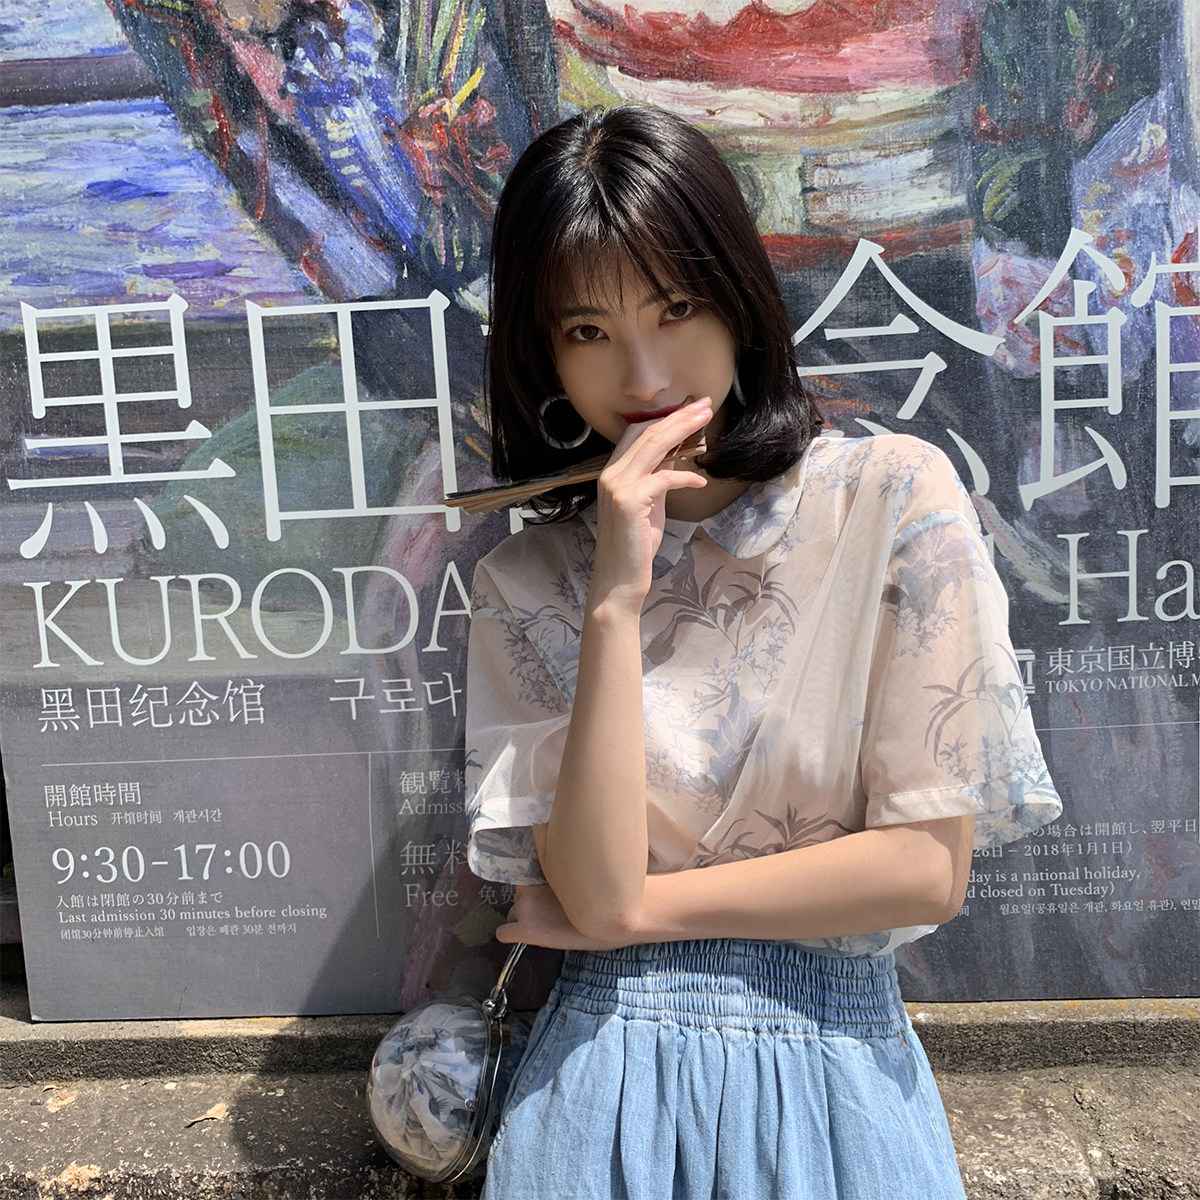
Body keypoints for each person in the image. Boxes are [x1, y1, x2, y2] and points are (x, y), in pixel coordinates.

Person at [465, 104, 1061, 1200]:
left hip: (837, 1082)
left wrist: (638, 918)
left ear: (737, 298)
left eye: (675, 307)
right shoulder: (526, 583)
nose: (644, 374)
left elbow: (924, 871)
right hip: (603, 1091)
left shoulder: (893, 498)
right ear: (543, 354)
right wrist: (614, 598)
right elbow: (591, 886)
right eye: (588, 331)